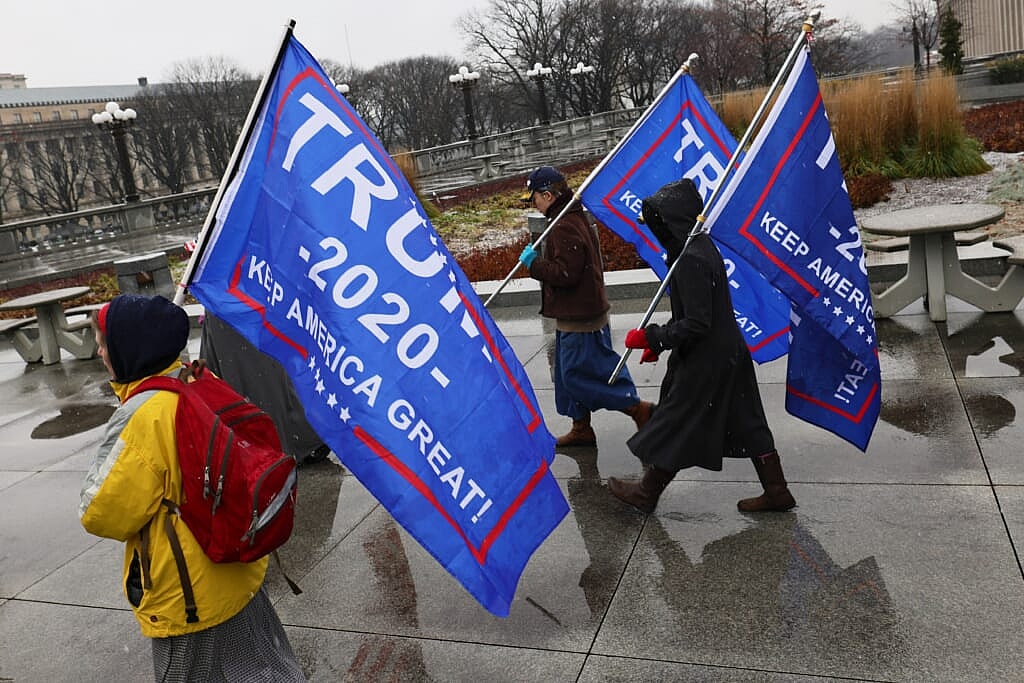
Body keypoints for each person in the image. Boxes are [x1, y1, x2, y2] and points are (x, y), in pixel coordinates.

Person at [79, 294, 305, 682]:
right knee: (262, 669)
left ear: (129, 348)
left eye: (104, 342)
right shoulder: (199, 379)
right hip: (238, 566)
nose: (99, 352)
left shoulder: (145, 415)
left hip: (190, 592)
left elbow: (103, 514)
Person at [607, 178, 796, 514]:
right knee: (748, 419)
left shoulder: (690, 258)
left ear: (674, 221)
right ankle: (777, 490)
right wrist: (662, 344)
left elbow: (696, 322)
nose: (655, 230)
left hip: (708, 358)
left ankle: (646, 493)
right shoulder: (697, 248)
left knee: (680, 420)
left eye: (658, 223)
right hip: (728, 351)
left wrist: (652, 337)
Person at [518, 165, 653, 447]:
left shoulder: (563, 225)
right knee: (570, 378)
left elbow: (566, 274)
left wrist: (535, 265)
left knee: (580, 376)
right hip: (575, 313)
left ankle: (638, 408)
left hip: (581, 316)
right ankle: (581, 427)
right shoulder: (567, 216)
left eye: (534, 199)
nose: (533, 204)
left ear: (548, 195)